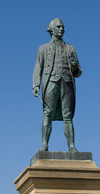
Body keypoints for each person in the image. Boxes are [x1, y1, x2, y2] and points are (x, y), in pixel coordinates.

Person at [33, 18, 82, 152]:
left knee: (68, 116)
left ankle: (71, 147)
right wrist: (36, 84)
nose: (62, 29)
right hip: (51, 82)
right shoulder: (43, 49)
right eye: (59, 27)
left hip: (67, 82)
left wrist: (74, 66)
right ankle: (44, 144)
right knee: (47, 113)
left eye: (63, 27)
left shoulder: (70, 48)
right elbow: (38, 66)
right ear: (51, 29)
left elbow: (78, 72)